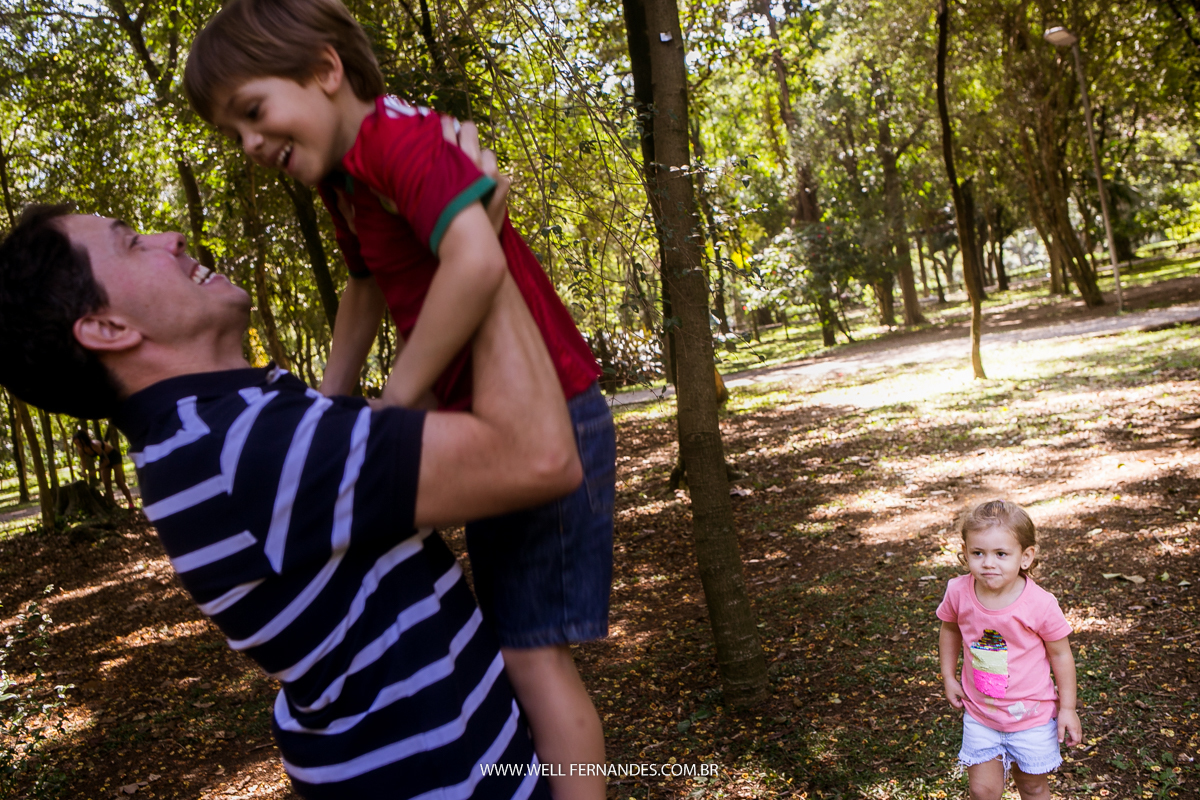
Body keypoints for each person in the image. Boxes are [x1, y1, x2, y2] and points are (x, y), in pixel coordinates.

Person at [0, 134, 578, 798]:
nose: (172, 237)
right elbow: (541, 458)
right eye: (133, 242)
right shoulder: (237, 449)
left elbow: (395, 423)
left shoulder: (223, 426)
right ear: (106, 329)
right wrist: (479, 251)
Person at [183, 3, 613, 796]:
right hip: (487, 419)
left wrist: (398, 398)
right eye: (231, 132)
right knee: (509, 638)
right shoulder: (346, 178)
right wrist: (327, 401)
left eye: (253, 111)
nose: (247, 145)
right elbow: (364, 284)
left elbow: (475, 262)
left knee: (530, 650)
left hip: (556, 408)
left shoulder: (399, 142)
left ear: (324, 70)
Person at [937, 500, 1082, 800]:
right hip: (981, 715)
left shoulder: (1040, 604)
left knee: (1031, 787)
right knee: (981, 791)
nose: (988, 563)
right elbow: (949, 629)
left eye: (1001, 554)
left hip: (1032, 717)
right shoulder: (958, 592)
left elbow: (1061, 655)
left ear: (1026, 556)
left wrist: (1068, 708)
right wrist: (948, 676)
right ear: (965, 553)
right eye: (978, 553)